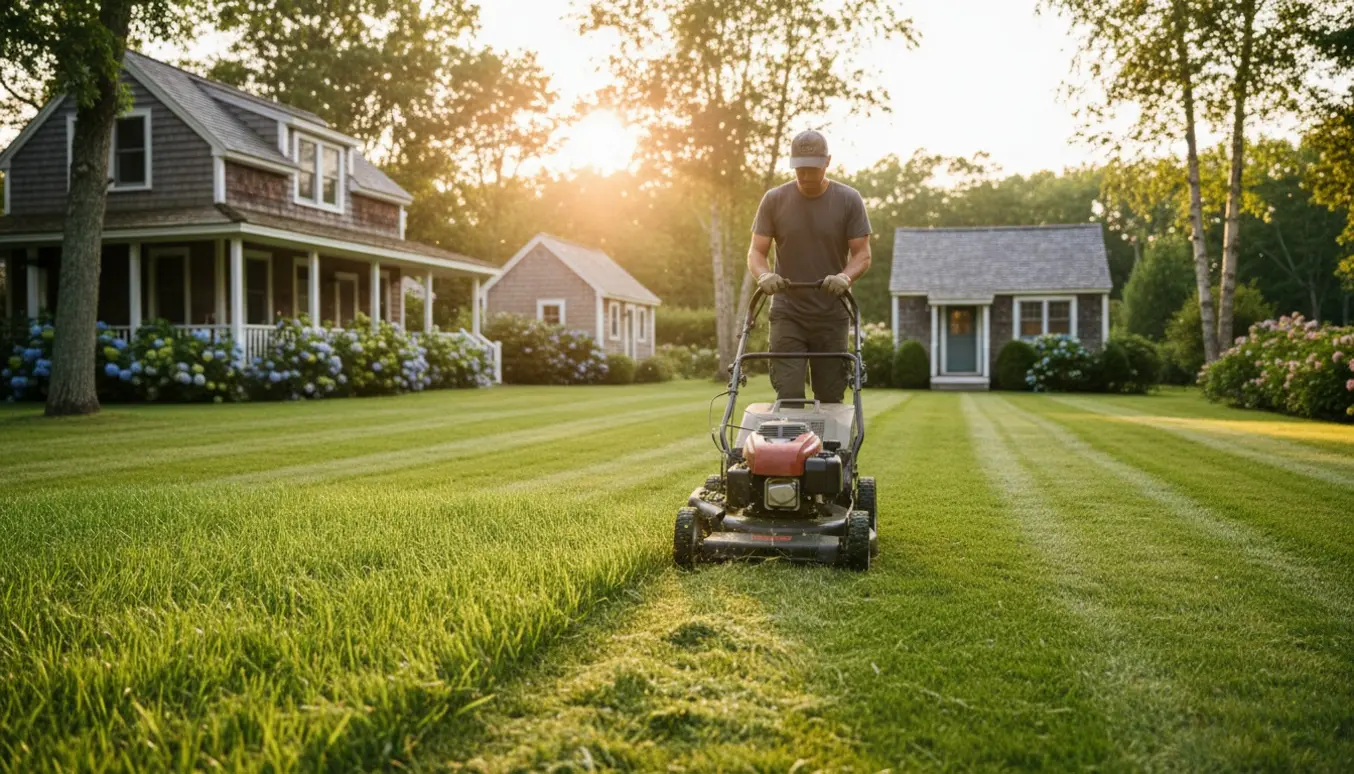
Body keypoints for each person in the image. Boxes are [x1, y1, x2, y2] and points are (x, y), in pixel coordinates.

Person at [747, 129, 872, 403]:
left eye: (812, 169)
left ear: (827, 162)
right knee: (789, 394)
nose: (804, 175)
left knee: (830, 395)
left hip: (831, 312)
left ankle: (827, 448)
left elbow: (862, 254)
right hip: (788, 311)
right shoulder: (774, 200)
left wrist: (844, 278)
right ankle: (790, 446)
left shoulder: (848, 200)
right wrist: (764, 274)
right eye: (799, 168)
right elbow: (757, 251)